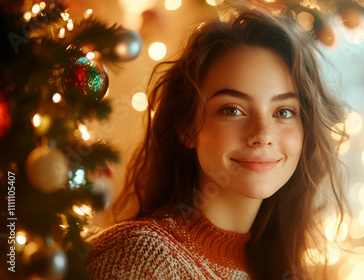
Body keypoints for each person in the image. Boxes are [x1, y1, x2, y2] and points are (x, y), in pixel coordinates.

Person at [85, 4, 348, 280]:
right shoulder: (140, 257)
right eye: (232, 110)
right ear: (186, 127)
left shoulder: (276, 266)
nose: (262, 135)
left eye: (283, 112)